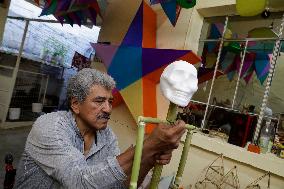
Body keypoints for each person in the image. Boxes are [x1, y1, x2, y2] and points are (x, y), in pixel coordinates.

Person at [15, 68, 186, 189]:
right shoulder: (50, 126)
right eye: (99, 101)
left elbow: (117, 185)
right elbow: (79, 182)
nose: (108, 108)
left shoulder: (106, 136)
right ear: (75, 104)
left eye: (110, 101)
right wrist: (146, 146)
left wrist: (149, 157)